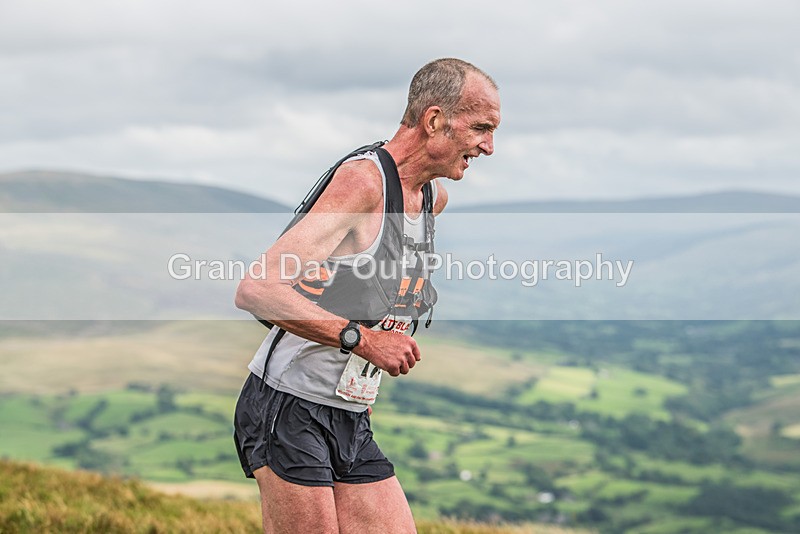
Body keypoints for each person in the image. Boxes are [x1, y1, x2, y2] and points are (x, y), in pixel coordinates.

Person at [233, 58, 500, 534]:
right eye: (480, 128)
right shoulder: (364, 182)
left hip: (349, 413)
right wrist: (363, 341)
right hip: (287, 405)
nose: (489, 147)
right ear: (435, 120)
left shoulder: (431, 199)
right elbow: (257, 289)